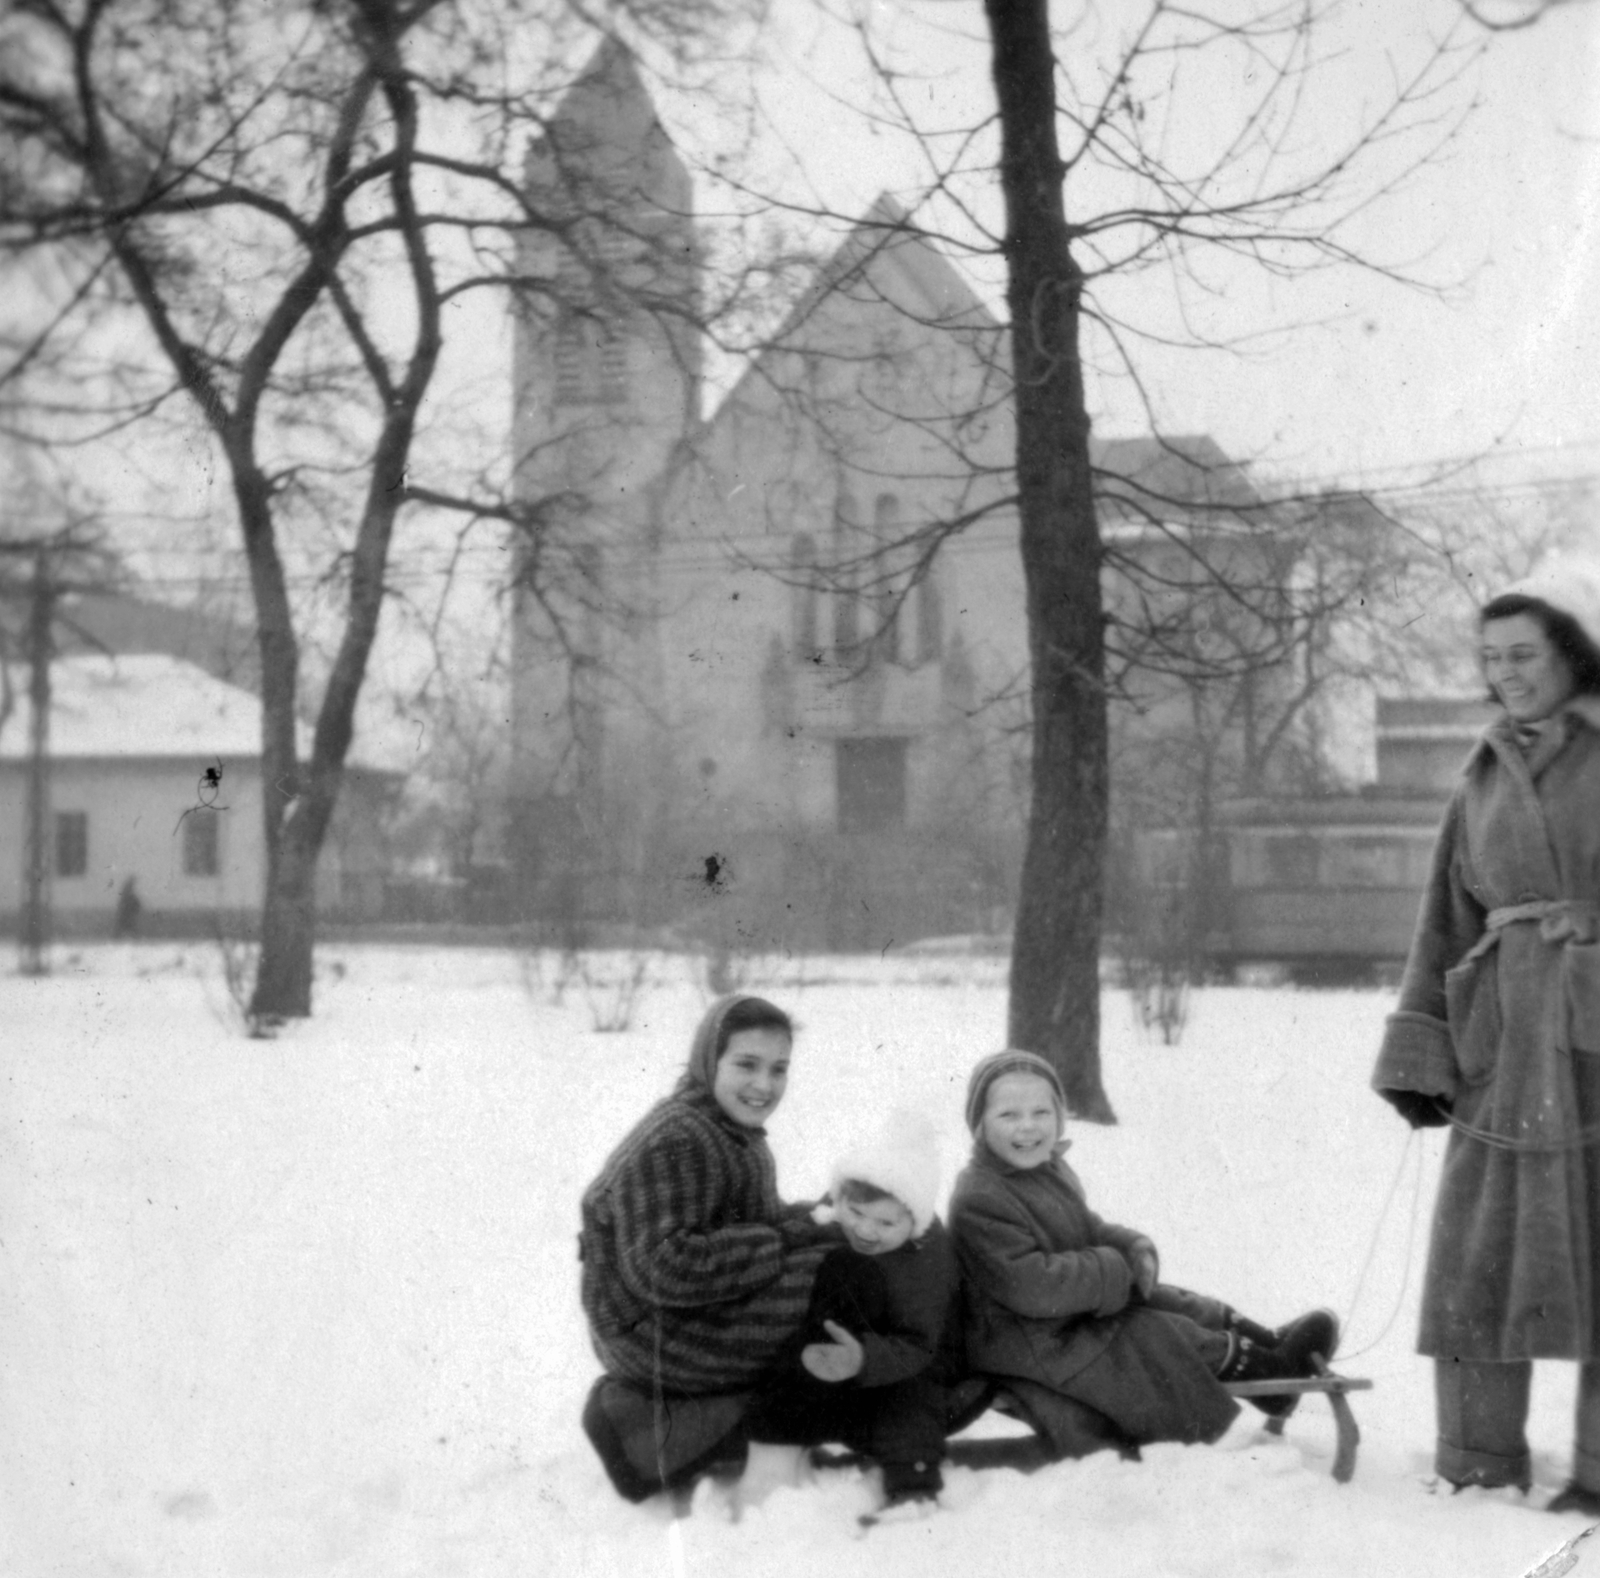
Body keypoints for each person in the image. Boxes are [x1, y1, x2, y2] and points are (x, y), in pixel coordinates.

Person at [1371, 556, 1600, 1513]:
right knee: (1477, 1252)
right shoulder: (1481, 771)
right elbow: (1445, 918)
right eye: (1490, 657)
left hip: (1595, 1037)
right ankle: (1477, 1461)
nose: (1505, 672)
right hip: (1500, 1043)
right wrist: (1421, 1050)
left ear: (1573, 653)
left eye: (1524, 654)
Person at [950, 1049, 1338, 1459]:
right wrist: (1113, 1270)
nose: (1027, 1127)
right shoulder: (981, 1197)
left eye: (1041, 1113)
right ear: (979, 1126)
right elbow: (1031, 1285)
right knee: (1154, 1333)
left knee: (1170, 1299)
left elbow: (1084, 1228)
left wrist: (1128, 1248)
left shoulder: (1043, 1170)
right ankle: (1271, 1375)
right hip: (1027, 1341)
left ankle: (1266, 1345)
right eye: (1008, 1115)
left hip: (1057, 1321)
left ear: (1059, 1117)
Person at [578, 993, 838, 1502]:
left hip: (675, 1316)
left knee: (839, 1256)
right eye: (746, 1064)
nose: (764, 1085)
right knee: (834, 1284)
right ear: (708, 1060)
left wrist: (821, 1216)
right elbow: (665, 1266)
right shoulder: (680, 1137)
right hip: (650, 1333)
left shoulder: (724, 1128)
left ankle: (747, 1415)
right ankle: (678, 1431)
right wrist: (790, 1236)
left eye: (778, 1068)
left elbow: (749, 1223)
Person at [743, 1111, 980, 1512]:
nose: (866, 1231)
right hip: (861, 1334)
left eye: (886, 1223)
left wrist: (865, 1359)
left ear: (914, 1220)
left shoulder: (926, 1265)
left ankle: (913, 1486)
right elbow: (815, 1216)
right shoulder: (844, 1211)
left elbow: (918, 1344)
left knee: (908, 1402)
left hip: (921, 1352)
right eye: (856, 1214)